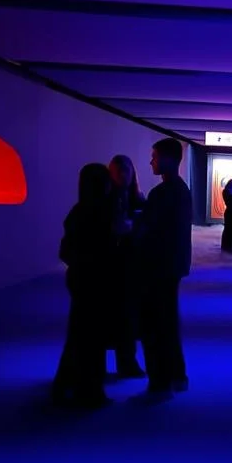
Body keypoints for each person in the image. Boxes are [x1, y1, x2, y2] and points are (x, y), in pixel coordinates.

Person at [52, 163, 116, 408]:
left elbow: (66, 250)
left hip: (80, 278)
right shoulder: (99, 212)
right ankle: (89, 391)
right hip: (94, 280)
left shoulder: (78, 211)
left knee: (79, 333)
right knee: (92, 337)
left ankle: (67, 383)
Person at [136, 138, 192, 397]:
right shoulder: (182, 189)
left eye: (155, 156)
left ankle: (160, 380)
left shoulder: (162, 193)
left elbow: (147, 230)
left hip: (157, 266)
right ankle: (176, 375)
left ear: (169, 159)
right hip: (174, 264)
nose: (151, 162)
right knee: (168, 322)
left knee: (155, 325)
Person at [107, 154, 146, 379]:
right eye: (118, 172)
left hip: (131, 267)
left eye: (126, 171)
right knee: (115, 318)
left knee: (129, 318)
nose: (123, 176)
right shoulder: (106, 200)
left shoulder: (137, 200)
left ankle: (127, 361)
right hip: (112, 268)